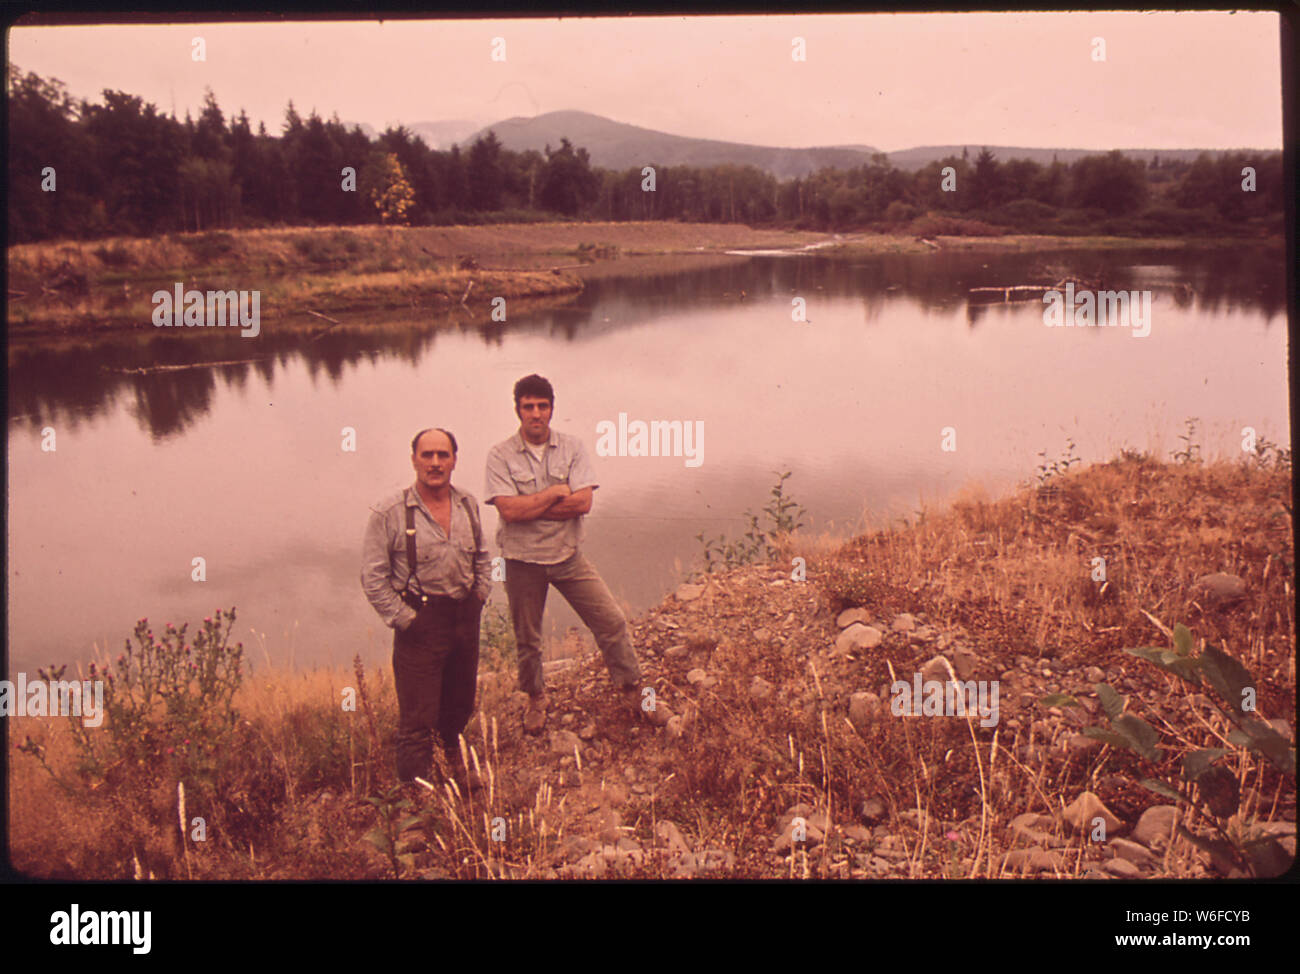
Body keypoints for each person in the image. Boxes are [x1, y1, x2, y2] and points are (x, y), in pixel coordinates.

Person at [485, 375, 645, 735]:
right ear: (518, 411)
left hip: (567, 556)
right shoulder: (500, 455)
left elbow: (583, 502)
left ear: (552, 409)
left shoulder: (572, 447)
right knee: (528, 637)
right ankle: (536, 698)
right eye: (529, 407)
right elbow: (508, 512)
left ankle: (631, 689)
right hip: (521, 561)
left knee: (611, 620)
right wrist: (555, 494)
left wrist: (531, 505)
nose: (536, 414)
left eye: (543, 406)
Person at [361, 428, 491, 789]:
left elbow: (482, 556)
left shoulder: (467, 503)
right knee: (418, 719)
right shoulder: (389, 512)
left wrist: (479, 596)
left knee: (459, 705)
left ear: (454, 460)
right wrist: (407, 621)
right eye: (427, 455)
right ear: (414, 459)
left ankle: (454, 772)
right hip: (420, 622)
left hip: (464, 617)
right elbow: (373, 577)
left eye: (443, 455)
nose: (435, 463)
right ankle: (418, 803)